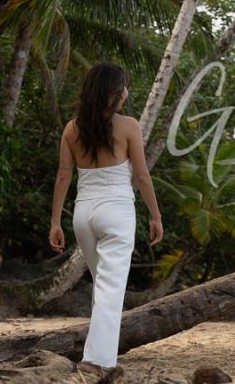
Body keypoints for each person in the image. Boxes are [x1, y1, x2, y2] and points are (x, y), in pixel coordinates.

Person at [49, 62, 163, 375]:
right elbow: (141, 175)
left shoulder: (72, 128)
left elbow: (63, 176)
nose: (127, 92)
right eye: (124, 86)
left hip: (83, 214)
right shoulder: (128, 125)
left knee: (104, 287)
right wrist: (155, 215)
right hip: (116, 211)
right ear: (114, 92)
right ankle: (95, 361)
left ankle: (104, 356)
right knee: (110, 290)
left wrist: (55, 222)